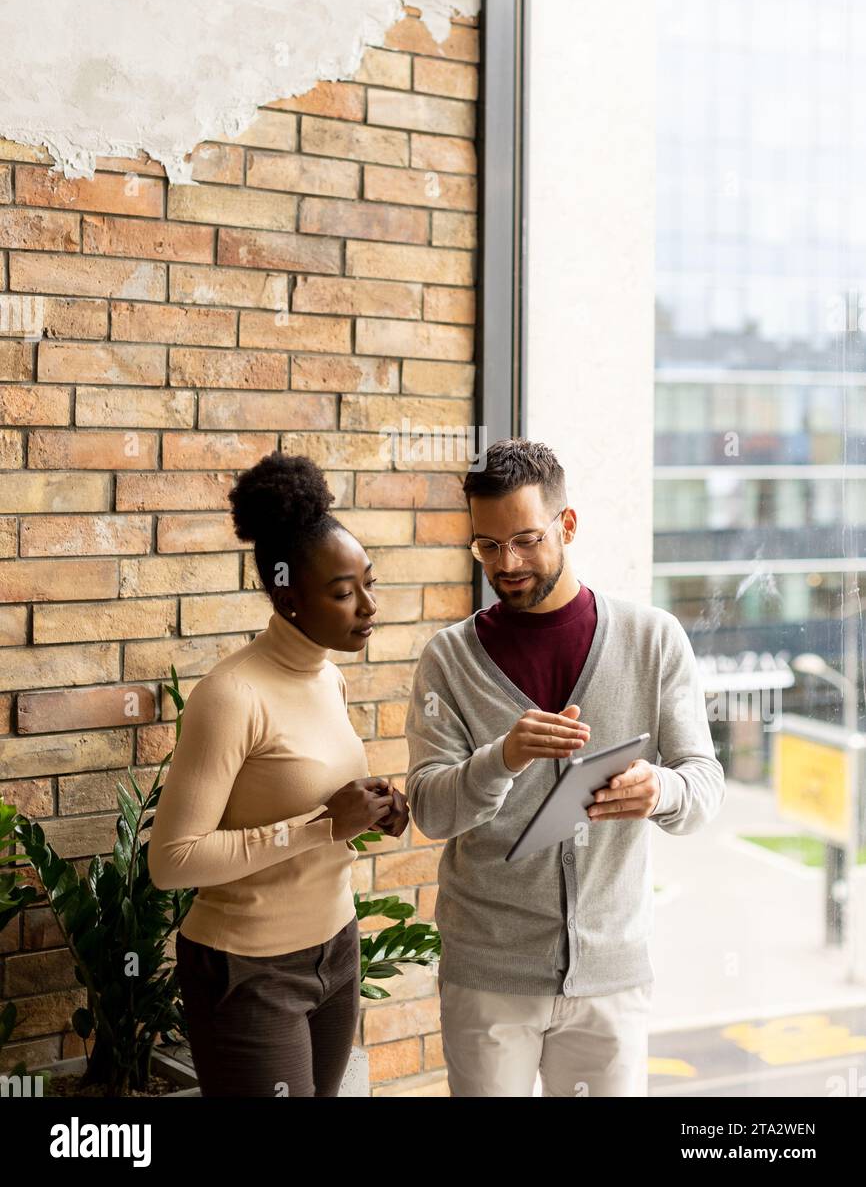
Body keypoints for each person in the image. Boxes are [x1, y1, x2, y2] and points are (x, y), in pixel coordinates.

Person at [404, 436, 725, 1097]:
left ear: (567, 524)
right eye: (487, 546)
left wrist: (658, 789)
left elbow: (704, 782)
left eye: (525, 539)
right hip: (488, 977)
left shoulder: (652, 637)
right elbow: (431, 810)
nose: (507, 563)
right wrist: (503, 758)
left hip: (613, 976)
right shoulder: (449, 660)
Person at [148, 452, 409, 1097]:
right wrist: (322, 827)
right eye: (344, 593)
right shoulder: (231, 695)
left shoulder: (328, 673)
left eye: (368, 583)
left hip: (336, 948)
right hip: (247, 969)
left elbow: (308, 795)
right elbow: (172, 861)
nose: (368, 606)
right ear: (290, 599)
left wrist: (375, 807)